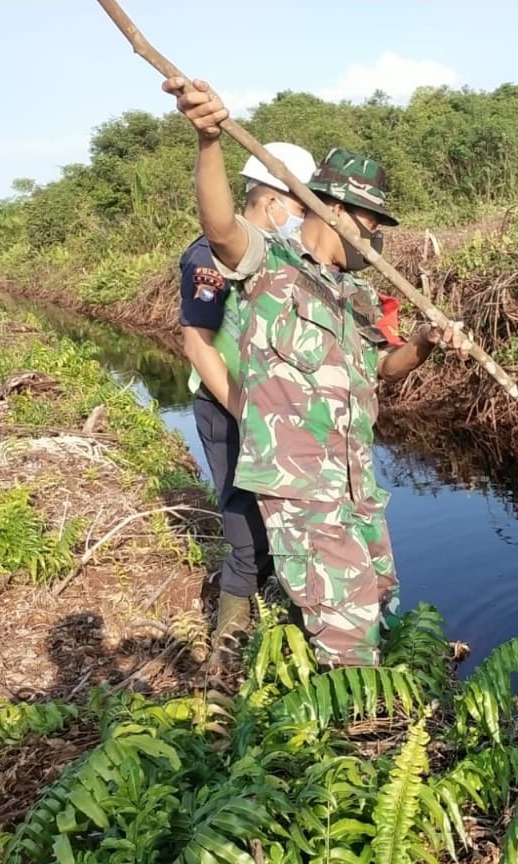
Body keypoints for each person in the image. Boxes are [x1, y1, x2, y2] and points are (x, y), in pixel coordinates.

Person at [165, 76, 471, 668]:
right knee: (346, 632)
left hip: (356, 483)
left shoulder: (357, 294)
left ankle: (383, 693)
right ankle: (346, 717)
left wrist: (426, 342)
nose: (376, 238)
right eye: (372, 223)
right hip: (302, 487)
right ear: (335, 212)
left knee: (379, 598)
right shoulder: (271, 265)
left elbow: (384, 369)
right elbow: (220, 228)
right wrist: (208, 140)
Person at [177, 142, 317, 659]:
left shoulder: (285, 256)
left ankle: (302, 636)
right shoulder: (210, 257)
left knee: (297, 522)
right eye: (299, 206)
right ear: (272, 199)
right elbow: (197, 343)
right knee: (246, 528)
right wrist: (245, 411)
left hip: (279, 410)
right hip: (230, 407)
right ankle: (230, 643)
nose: (301, 217)